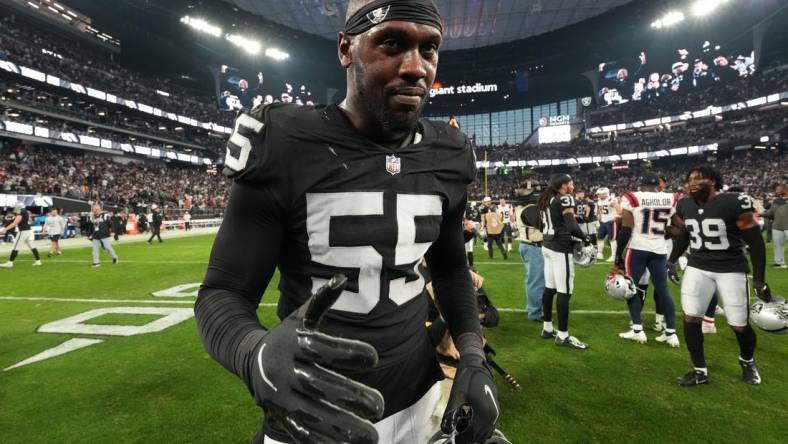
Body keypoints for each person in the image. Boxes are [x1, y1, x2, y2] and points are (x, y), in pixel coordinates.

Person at [194, 1, 501, 443]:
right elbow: (222, 293)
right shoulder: (285, 142)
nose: (416, 67)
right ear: (345, 48)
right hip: (313, 410)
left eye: (429, 48)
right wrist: (251, 353)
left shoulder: (449, 152)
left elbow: (451, 269)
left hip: (419, 395)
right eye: (392, 43)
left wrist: (472, 354)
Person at [666, 166, 771, 385]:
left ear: (713, 181)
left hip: (730, 268)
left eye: (698, 178)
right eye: (689, 179)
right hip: (697, 266)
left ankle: (747, 360)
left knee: (739, 324)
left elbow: (756, 243)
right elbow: (685, 235)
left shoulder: (734, 201)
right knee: (691, 317)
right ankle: (699, 370)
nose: (692, 183)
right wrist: (672, 260)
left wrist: (760, 279)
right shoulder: (685, 204)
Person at [613, 173, 679, 347]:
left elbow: (626, 229)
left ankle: (637, 330)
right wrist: (666, 231)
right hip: (660, 249)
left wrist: (618, 254)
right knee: (663, 290)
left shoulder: (633, 197)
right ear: (659, 184)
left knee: (631, 287)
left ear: (641, 185)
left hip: (638, 249)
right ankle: (671, 333)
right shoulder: (671, 198)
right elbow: (679, 228)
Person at [538, 174, 591, 349]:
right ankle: (563, 335)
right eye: (570, 183)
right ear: (563, 186)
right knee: (564, 292)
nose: (573, 185)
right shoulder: (565, 199)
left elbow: (541, 224)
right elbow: (571, 226)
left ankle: (547, 328)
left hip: (547, 245)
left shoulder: (546, 199)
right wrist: (586, 238)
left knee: (550, 288)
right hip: (560, 248)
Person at [515, 199, 545, 321]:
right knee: (536, 281)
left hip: (528, 245)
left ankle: (533, 308)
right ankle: (535, 312)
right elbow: (542, 226)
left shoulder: (522, 206)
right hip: (533, 246)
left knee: (534, 280)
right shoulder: (529, 208)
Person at [0, 202, 42, 268]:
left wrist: (5, 229)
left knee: (15, 247)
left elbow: (15, 223)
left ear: (18, 206)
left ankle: (10, 263)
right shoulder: (26, 211)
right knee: (32, 246)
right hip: (28, 230)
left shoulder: (21, 211)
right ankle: (38, 261)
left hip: (23, 231)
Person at [762, 184, 788, 268]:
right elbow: (771, 213)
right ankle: (780, 263)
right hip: (777, 226)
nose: (776, 191)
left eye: (778, 189)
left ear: (784, 189)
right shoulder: (776, 201)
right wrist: (759, 214)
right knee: (777, 245)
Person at [89, 203, 118, 267]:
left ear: (99, 209)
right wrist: (88, 235)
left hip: (104, 235)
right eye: (94, 209)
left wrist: (112, 231)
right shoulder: (92, 217)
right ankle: (96, 263)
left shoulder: (105, 216)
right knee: (95, 250)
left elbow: (111, 224)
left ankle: (114, 257)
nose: (96, 211)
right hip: (96, 235)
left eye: (97, 209)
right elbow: (91, 227)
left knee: (108, 248)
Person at [596, 187, 619, 261]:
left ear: (604, 194)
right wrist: (599, 218)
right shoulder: (599, 201)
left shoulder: (611, 200)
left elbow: (618, 208)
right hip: (602, 222)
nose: (598, 195)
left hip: (610, 221)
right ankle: (600, 253)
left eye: (599, 194)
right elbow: (599, 211)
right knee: (600, 237)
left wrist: (616, 216)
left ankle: (614, 255)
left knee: (612, 239)